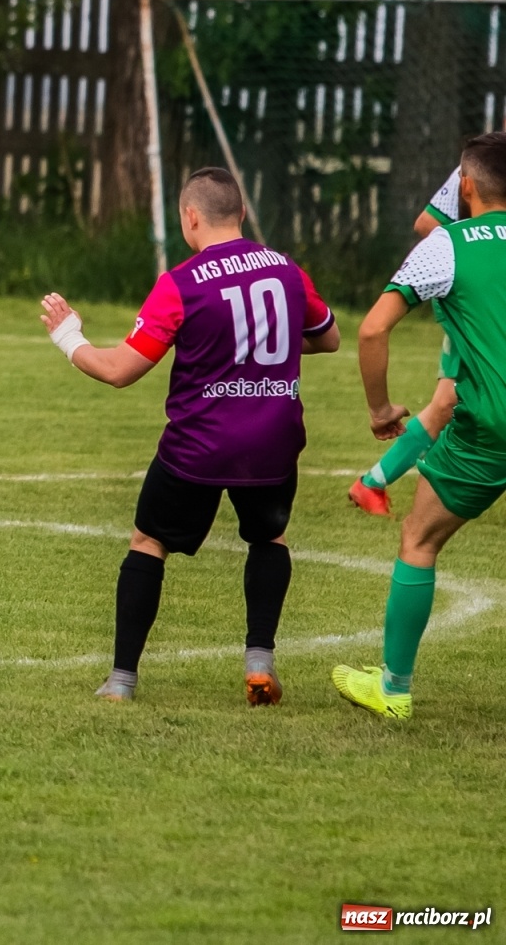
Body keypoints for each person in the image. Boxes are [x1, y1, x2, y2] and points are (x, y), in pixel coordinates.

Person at [40, 167, 339, 705]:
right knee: (268, 538)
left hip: (201, 445)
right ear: (241, 214)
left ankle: (122, 681)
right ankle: (259, 661)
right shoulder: (288, 271)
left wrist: (67, 336)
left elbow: (119, 370)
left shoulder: (181, 283)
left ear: (190, 216)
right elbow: (328, 337)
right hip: (274, 440)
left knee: (148, 541)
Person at [333, 132, 506, 720]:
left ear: (465, 186)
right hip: (482, 417)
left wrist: (381, 411)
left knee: (420, 539)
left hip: (491, 430)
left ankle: (394, 688)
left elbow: (372, 329)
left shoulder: (449, 243)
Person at [348, 167, 466, 517]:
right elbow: (428, 224)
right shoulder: (477, 165)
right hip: (481, 306)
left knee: (448, 403)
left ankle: (373, 483)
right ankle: (374, 483)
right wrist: (475, 256)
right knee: (447, 403)